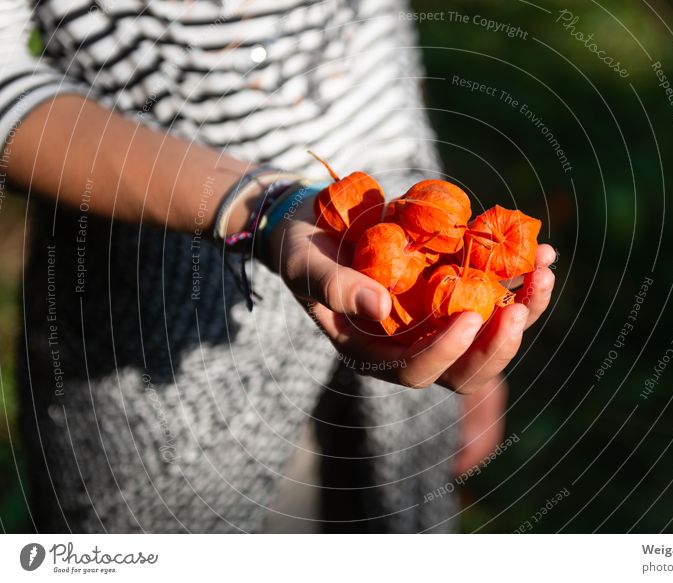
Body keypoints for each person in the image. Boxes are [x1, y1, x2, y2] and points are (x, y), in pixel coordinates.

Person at [0, 0, 556, 533]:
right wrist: (256, 205)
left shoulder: (428, 257)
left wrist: (468, 326)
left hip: (398, 277)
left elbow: (376, 34)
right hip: (160, 323)